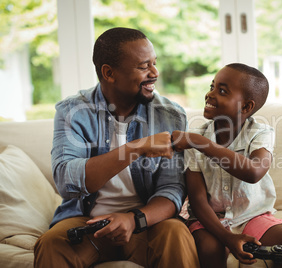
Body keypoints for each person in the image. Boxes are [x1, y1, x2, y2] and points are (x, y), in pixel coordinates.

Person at [34, 27, 199, 268]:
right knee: (51, 244)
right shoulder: (73, 112)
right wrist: (136, 147)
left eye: (154, 63)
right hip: (86, 222)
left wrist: (134, 219)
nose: (155, 73)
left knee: (176, 234)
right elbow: (66, 181)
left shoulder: (169, 115)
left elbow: (172, 189)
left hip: (147, 222)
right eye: (144, 67)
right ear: (109, 73)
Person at [171, 63, 282, 268]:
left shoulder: (260, 133)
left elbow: (253, 172)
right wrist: (227, 238)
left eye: (222, 90)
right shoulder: (196, 137)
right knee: (209, 249)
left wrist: (199, 143)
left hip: (252, 215)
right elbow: (198, 201)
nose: (210, 94)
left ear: (246, 107)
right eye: (212, 86)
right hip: (210, 219)